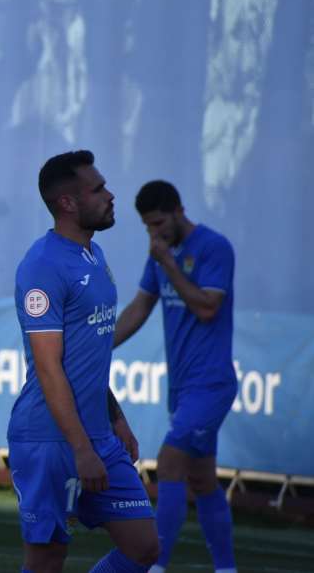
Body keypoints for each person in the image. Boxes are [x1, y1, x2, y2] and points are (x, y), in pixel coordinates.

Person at [8, 150, 159, 573]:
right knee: (47, 559)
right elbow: (49, 367)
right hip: (51, 441)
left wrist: (115, 418)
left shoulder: (95, 256)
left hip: (97, 435)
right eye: (98, 189)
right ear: (67, 203)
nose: (110, 196)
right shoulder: (42, 265)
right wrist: (81, 449)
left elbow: (86, 357)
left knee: (144, 547)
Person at [113, 180, 238, 573]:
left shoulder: (214, 248)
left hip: (211, 384)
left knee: (168, 465)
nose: (155, 233)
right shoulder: (159, 254)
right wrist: (98, 348)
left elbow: (207, 309)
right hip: (182, 388)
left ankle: (155, 567)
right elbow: (139, 308)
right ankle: (226, 569)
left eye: (159, 223)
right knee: (201, 480)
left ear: (179, 210)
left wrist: (168, 262)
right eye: (148, 227)